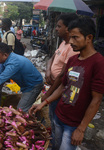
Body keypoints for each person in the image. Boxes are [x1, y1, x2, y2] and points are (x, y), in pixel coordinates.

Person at [29, 17, 104, 150]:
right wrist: (44, 103)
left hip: (74, 123)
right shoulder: (73, 59)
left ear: (89, 37)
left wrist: (81, 129)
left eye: (75, 37)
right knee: (56, 145)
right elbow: (63, 86)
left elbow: (96, 100)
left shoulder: (98, 63)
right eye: (71, 37)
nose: (71, 41)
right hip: (59, 115)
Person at [41, 13, 79, 148]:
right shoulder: (63, 43)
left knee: (58, 121)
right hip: (53, 87)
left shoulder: (73, 48)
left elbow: (63, 76)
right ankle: (54, 142)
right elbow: (52, 57)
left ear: (68, 28)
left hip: (59, 90)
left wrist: (48, 94)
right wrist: (47, 69)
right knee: (53, 119)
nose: (56, 29)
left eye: (59, 26)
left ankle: (56, 144)